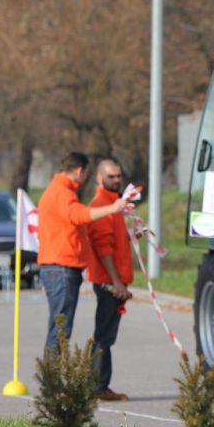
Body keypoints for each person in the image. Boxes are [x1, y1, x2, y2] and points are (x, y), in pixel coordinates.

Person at [38, 152, 127, 355]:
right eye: (86, 173)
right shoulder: (62, 193)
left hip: (59, 267)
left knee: (60, 328)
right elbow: (80, 215)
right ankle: (51, 382)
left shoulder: (58, 190)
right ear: (80, 171)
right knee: (60, 330)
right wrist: (112, 208)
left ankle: (53, 380)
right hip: (61, 268)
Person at [86, 159, 133, 401]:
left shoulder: (114, 205)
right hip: (108, 283)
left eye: (118, 176)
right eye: (111, 177)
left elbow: (115, 242)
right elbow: (103, 248)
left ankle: (97, 384)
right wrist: (116, 282)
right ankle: (98, 386)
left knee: (106, 335)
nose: (116, 180)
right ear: (99, 178)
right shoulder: (102, 205)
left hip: (115, 281)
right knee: (104, 336)